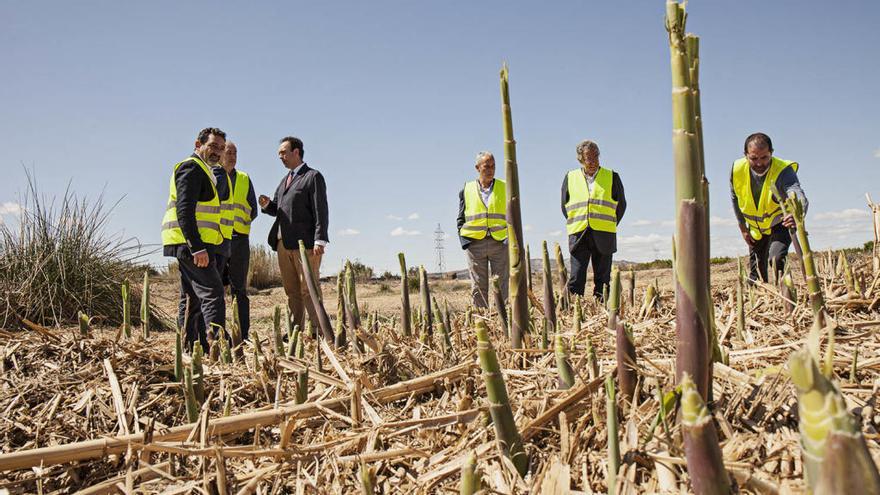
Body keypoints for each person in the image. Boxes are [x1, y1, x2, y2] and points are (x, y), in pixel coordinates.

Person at [161, 127, 227, 351]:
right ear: (198, 145)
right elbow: (184, 209)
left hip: (191, 244)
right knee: (213, 293)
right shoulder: (192, 167)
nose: (217, 152)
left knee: (191, 298)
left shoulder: (206, 170)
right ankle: (218, 349)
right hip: (191, 245)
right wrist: (197, 247)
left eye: (221, 148)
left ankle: (188, 348)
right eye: (212, 146)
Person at [259, 136, 329, 332]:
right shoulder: (284, 182)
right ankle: (296, 332)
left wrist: (320, 239)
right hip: (283, 243)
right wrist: (267, 205)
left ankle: (318, 331)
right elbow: (278, 210)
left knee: (309, 290)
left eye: (283, 152)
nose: (280, 157)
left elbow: (320, 209)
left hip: (305, 244)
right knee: (292, 291)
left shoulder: (312, 177)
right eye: (279, 154)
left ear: (296, 152)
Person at [730, 132, 807, 283]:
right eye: (753, 158)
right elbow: (735, 198)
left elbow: (796, 192)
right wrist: (743, 228)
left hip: (781, 223)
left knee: (776, 259)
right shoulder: (737, 169)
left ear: (771, 153)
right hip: (755, 229)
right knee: (756, 275)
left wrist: (796, 213)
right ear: (746, 155)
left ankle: (785, 294)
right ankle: (760, 298)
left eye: (764, 157)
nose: (759, 163)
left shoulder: (783, 170)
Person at [561, 140, 626, 300]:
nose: (593, 161)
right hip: (579, 234)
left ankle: (604, 311)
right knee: (576, 277)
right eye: (589, 157)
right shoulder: (570, 177)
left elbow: (621, 205)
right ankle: (574, 312)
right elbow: (565, 206)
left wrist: (609, 222)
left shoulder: (612, 177)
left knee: (603, 279)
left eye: (596, 157)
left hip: (604, 234)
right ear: (580, 159)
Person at [457, 151, 509, 308]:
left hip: (500, 242)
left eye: (493, 166)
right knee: (478, 286)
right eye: (487, 166)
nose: (491, 170)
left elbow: (513, 215)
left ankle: (504, 320)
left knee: (502, 285)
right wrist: (465, 241)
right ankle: (482, 322)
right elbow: (460, 217)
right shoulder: (467, 189)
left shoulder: (505, 187)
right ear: (477, 168)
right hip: (475, 244)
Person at [220, 141, 258, 340]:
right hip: (217, 239)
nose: (233, 156)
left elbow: (253, 209)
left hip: (239, 239)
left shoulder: (244, 178)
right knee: (216, 289)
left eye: (235, 152)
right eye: (229, 152)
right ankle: (216, 332)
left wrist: (240, 224)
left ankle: (241, 334)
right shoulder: (211, 175)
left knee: (239, 290)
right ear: (220, 154)